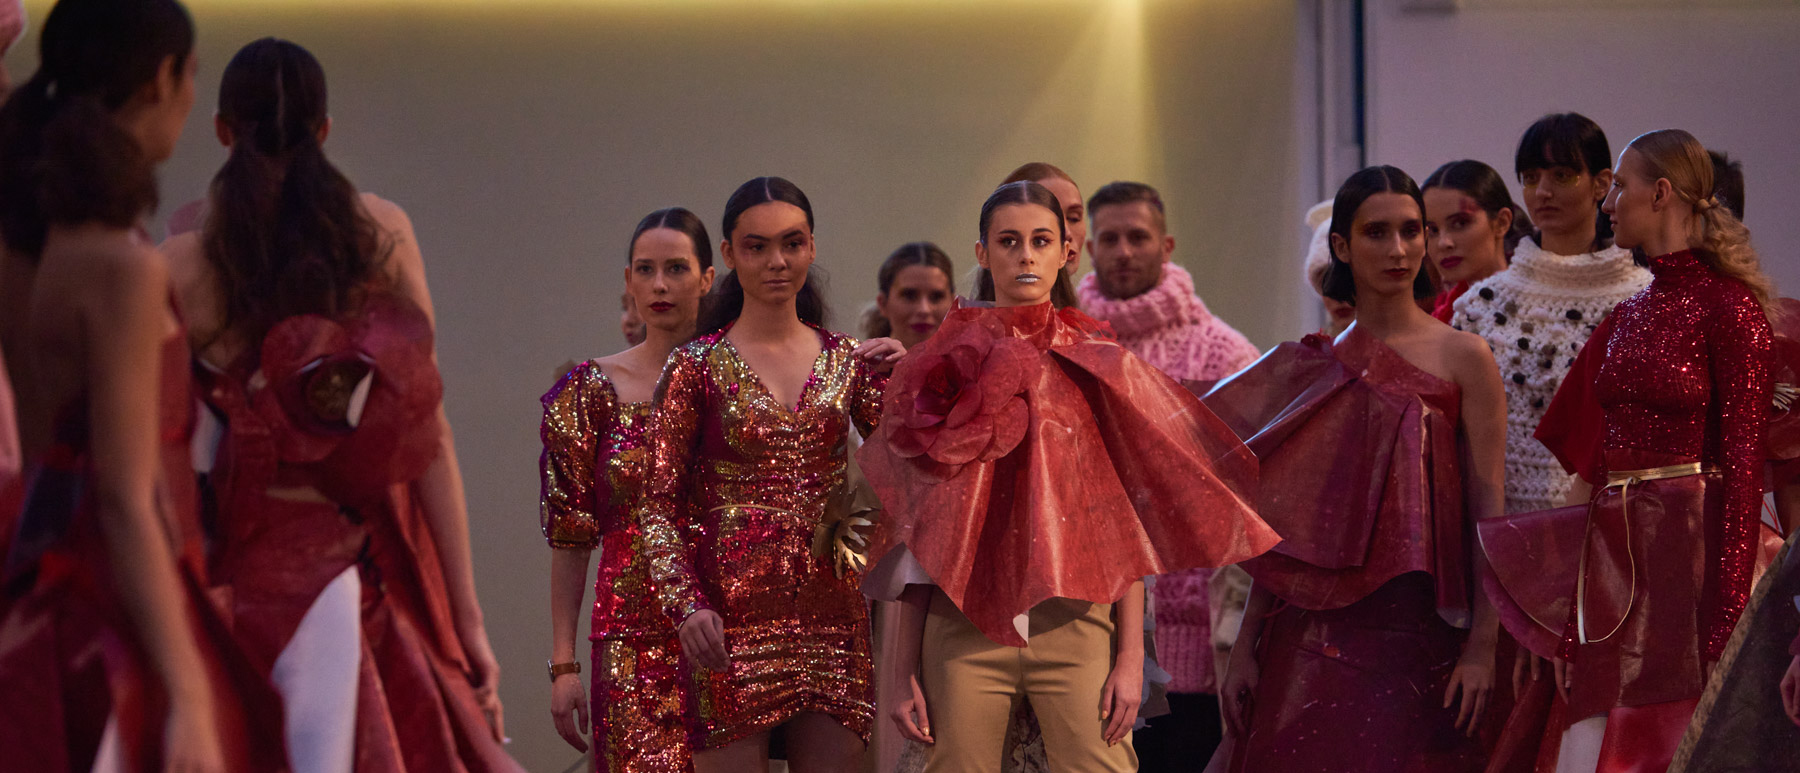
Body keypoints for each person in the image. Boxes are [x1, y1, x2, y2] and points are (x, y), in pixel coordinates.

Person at [162, 38, 518, 772]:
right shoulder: (379, 236)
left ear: (223, 129)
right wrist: (465, 620)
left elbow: (157, 454)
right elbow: (430, 435)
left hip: (230, 578)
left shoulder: (179, 266)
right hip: (361, 567)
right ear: (324, 129)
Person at [860, 180, 1278, 772]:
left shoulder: (1100, 365)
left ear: (1066, 252)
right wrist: (902, 665)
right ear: (982, 253)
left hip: (1075, 621)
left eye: (1040, 241)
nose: (1025, 256)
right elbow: (924, 528)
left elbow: (1124, 522)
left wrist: (1130, 658)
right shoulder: (944, 364)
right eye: (1008, 241)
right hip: (963, 625)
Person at [0, 1, 285, 769]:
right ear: (164, 78)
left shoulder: (29, 246)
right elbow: (127, 499)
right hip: (118, 606)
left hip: (46, 588)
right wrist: (189, 690)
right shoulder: (122, 269)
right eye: (192, 74)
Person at [1483, 129, 1774, 773]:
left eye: (1619, 186)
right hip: (1615, 561)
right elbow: (1601, 471)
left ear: (1661, 193)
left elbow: (1744, 471)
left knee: (1672, 736)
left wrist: (1729, 623)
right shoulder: (1632, 312)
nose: (1609, 202)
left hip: (1689, 561)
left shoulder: (1730, 310)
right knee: (1593, 731)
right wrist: (1572, 620)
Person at [1210, 165, 1507, 773]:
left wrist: (1483, 646)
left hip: (1421, 630)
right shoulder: (1315, 364)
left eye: (1410, 230)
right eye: (1377, 232)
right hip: (1307, 634)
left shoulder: (1466, 356)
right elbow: (1290, 529)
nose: (1398, 250)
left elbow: (1489, 509)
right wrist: (1247, 643)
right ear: (1342, 246)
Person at [636, 176, 904, 773]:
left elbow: (918, 462)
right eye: (757, 247)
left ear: (812, 247)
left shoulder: (848, 360)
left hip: (832, 618)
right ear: (729, 256)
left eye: (792, 243)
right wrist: (685, 604)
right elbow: (656, 504)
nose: (777, 261)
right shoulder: (695, 366)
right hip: (727, 622)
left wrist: (917, 377)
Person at [1072, 180, 1262, 768]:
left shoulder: (1223, 354)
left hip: (1192, 644)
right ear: (1089, 249)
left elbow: (1250, 500)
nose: (1124, 251)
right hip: (1082, 628)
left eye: (1138, 237)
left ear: (1167, 244)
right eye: (1110, 239)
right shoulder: (1069, 342)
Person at [543, 208, 716, 772]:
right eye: (646, 270)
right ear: (628, 281)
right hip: (629, 636)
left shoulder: (738, 382)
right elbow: (570, 537)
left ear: (707, 278)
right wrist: (563, 665)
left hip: (727, 627)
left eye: (676, 269)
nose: (660, 285)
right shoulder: (591, 390)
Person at [1451, 114, 1649, 516]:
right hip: (1504, 525)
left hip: (1616, 523)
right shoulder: (1481, 307)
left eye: (1562, 175)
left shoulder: (1644, 299)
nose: (1543, 192)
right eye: (1530, 178)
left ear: (1601, 184)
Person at [1422, 160, 1530, 322]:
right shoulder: (1441, 318)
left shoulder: (1537, 309)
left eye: (1460, 223)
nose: (1443, 243)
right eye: (1433, 230)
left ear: (1502, 223)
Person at [859, 242, 954, 350]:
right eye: (909, 296)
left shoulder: (968, 359)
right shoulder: (854, 360)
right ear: (883, 303)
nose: (924, 309)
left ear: (953, 304)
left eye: (936, 297)